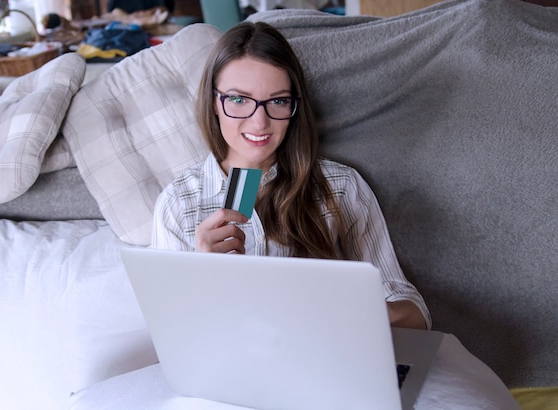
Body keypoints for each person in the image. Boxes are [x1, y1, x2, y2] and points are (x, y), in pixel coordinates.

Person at [151, 21, 430, 330]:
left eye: (278, 101)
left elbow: (414, 313)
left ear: (294, 107)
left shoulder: (340, 188)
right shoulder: (178, 205)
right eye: (239, 100)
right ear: (214, 103)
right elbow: (172, 337)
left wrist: (361, 310)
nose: (260, 123)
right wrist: (200, 280)